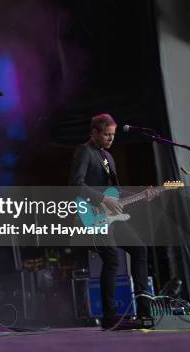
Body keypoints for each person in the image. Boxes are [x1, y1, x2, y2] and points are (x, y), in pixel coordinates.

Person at [69, 113, 153, 329]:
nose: (111, 139)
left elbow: (114, 192)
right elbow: (76, 185)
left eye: (113, 135)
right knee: (112, 259)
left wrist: (144, 193)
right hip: (93, 215)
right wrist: (101, 198)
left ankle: (144, 311)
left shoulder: (108, 157)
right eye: (106, 134)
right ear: (94, 132)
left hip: (111, 215)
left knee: (140, 249)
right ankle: (109, 317)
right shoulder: (85, 151)